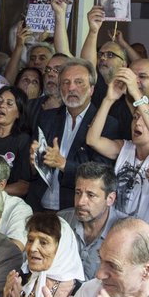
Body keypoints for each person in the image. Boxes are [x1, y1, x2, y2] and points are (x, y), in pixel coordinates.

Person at [31, 59, 119, 211]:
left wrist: (63, 164)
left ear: (91, 89)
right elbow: (32, 173)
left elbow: (100, 174)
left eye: (79, 82)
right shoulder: (47, 117)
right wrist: (33, 160)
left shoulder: (106, 124)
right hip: (39, 205)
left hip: (75, 208)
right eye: (65, 82)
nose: (71, 88)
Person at [86, 67, 149, 225]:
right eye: (135, 117)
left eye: (144, 118)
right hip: (117, 231)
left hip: (147, 238)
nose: (138, 122)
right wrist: (109, 99)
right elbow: (92, 140)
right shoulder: (125, 147)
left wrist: (136, 93)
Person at [57, 163, 126, 279]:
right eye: (78, 193)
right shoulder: (61, 221)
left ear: (110, 199)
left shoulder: (125, 232)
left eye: (91, 195)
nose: (80, 202)